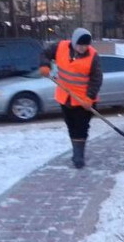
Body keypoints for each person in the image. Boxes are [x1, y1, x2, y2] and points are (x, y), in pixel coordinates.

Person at [40, 28, 102, 169]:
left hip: (84, 101)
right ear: (74, 43)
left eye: (86, 45)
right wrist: (44, 65)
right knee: (71, 126)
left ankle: (78, 156)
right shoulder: (60, 47)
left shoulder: (93, 56)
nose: (83, 48)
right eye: (80, 45)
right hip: (65, 97)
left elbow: (96, 79)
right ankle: (76, 151)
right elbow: (44, 53)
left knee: (81, 128)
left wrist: (89, 97)